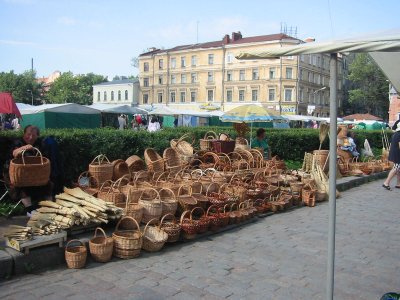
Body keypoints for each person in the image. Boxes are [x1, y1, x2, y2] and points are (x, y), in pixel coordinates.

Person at [10, 125, 53, 216]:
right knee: (21, 183)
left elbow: (44, 159)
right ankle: (29, 210)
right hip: (17, 173)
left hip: (35, 174)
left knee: (47, 182)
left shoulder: (40, 143)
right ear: (24, 133)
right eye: (28, 134)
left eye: (34, 135)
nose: (30, 137)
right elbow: (14, 153)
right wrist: (24, 147)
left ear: (37, 136)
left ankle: (50, 207)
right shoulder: (18, 142)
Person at [382, 120, 400, 190]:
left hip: (394, 153)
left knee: (398, 169)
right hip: (397, 154)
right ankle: (386, 183)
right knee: (396, 168)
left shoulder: (395, 134)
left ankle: (398, 183)